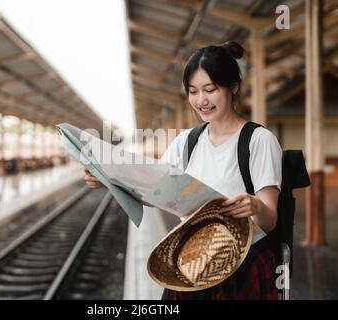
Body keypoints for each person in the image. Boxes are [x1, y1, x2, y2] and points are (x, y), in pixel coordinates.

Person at [84, 41, 282, 300]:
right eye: (193, 91)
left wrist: (256, 206)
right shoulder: (187, 142)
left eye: (210, 89)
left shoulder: (258, 140)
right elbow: (154, 192)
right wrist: (109, 179)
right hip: (193, 262)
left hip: (242, 263)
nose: (201, 100)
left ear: (233, 86)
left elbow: (270, 219)